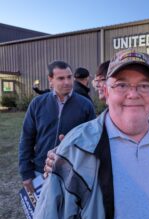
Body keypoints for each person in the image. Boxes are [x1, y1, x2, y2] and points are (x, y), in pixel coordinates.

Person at [33, 50, 149, 219]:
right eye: (121, 85)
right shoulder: (75, 149)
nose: (133, 94)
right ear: (106, 91)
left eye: (144, 85)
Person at [19, 60, 96, 193]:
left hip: (73, 172)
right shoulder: (37, 104)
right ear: (51, 80)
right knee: (43, 213)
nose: (67, 82)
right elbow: (26, 138)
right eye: (61, 78)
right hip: (41, 171)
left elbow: (93, 141)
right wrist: (26, 172)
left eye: (69, 77)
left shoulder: (85, 105)